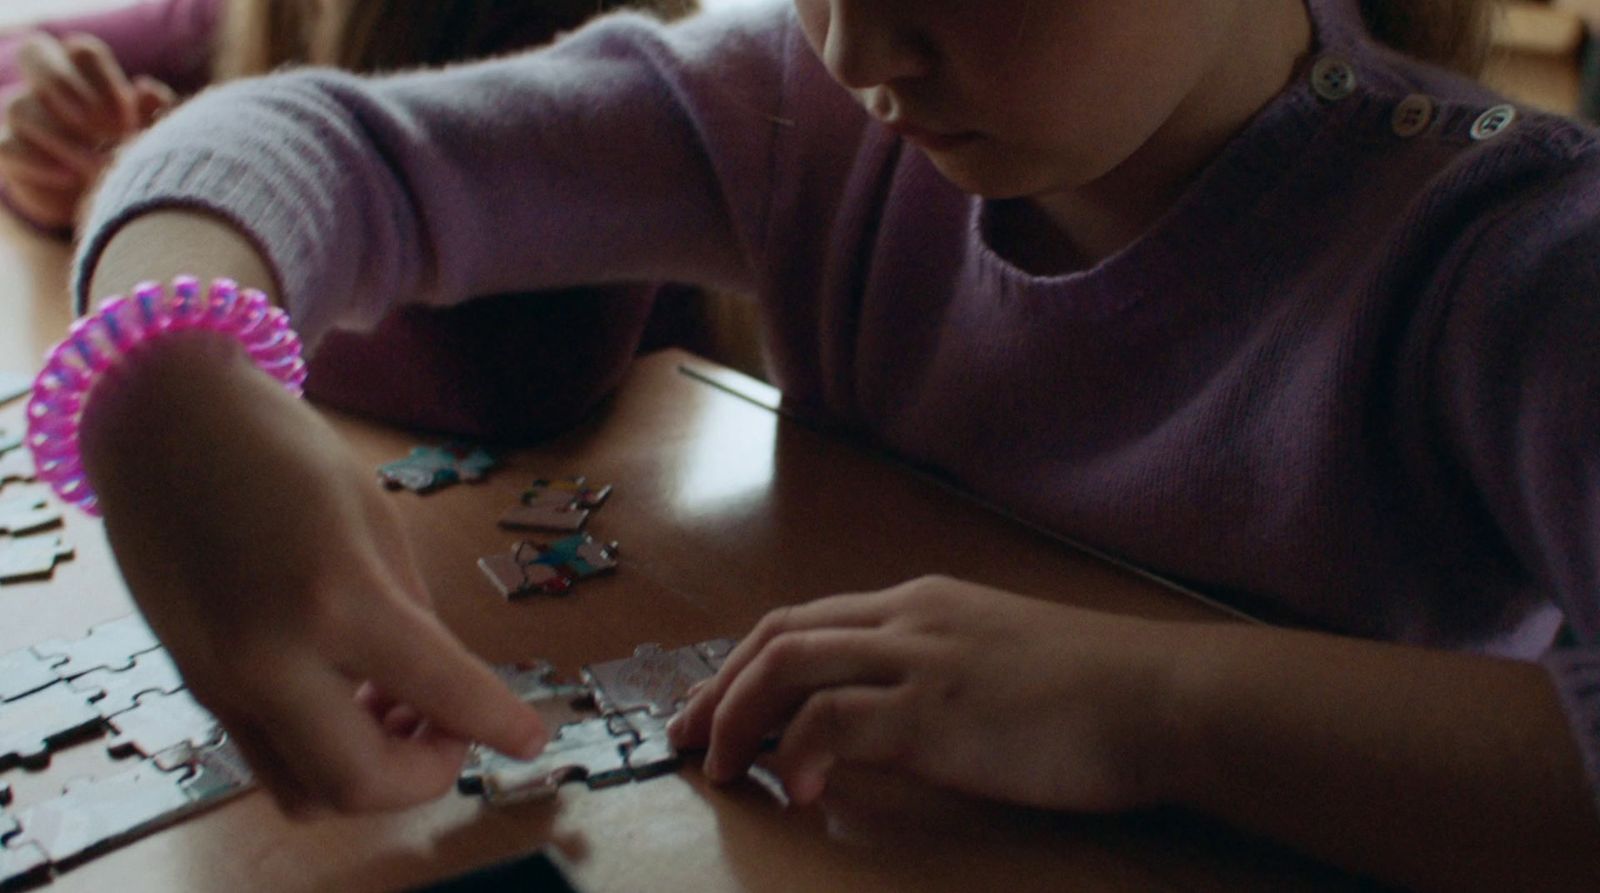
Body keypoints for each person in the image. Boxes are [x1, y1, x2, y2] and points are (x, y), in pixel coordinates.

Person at [42, 0, 1600, 887]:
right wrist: (166, 370)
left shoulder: (1519, 253)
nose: (860, 46)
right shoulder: (801, 108)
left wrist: (1150, 702)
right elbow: (303, 149)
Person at [0, 0, 706, 438]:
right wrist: (47, 137)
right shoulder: (254, 12)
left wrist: (124, 204)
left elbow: (511, 369)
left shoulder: (565, 27)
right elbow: (17, 49)